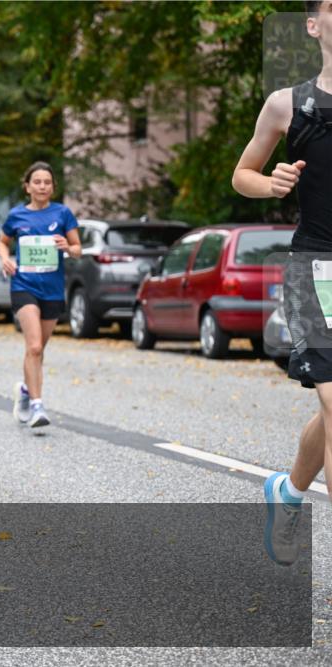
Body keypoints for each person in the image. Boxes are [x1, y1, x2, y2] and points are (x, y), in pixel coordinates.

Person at [232, 0, 332, 566]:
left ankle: (288, 492)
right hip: (316, 268)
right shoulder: (287, 104)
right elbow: (242, 174)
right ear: (314, 26)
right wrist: (269, 185)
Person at [0, 161, 81, 429]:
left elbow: (78, 249)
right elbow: (2, 241)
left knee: (38, 351)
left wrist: (68, 246)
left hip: (53, 290)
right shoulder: (16, 216)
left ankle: (24, 390)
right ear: (27, 186)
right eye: (37, 182)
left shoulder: (63, 213)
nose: (42, 186)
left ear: (53, 187)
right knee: (33, 347)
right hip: (24, 286)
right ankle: (37, 406)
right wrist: (5, 258)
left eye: (47, 182)